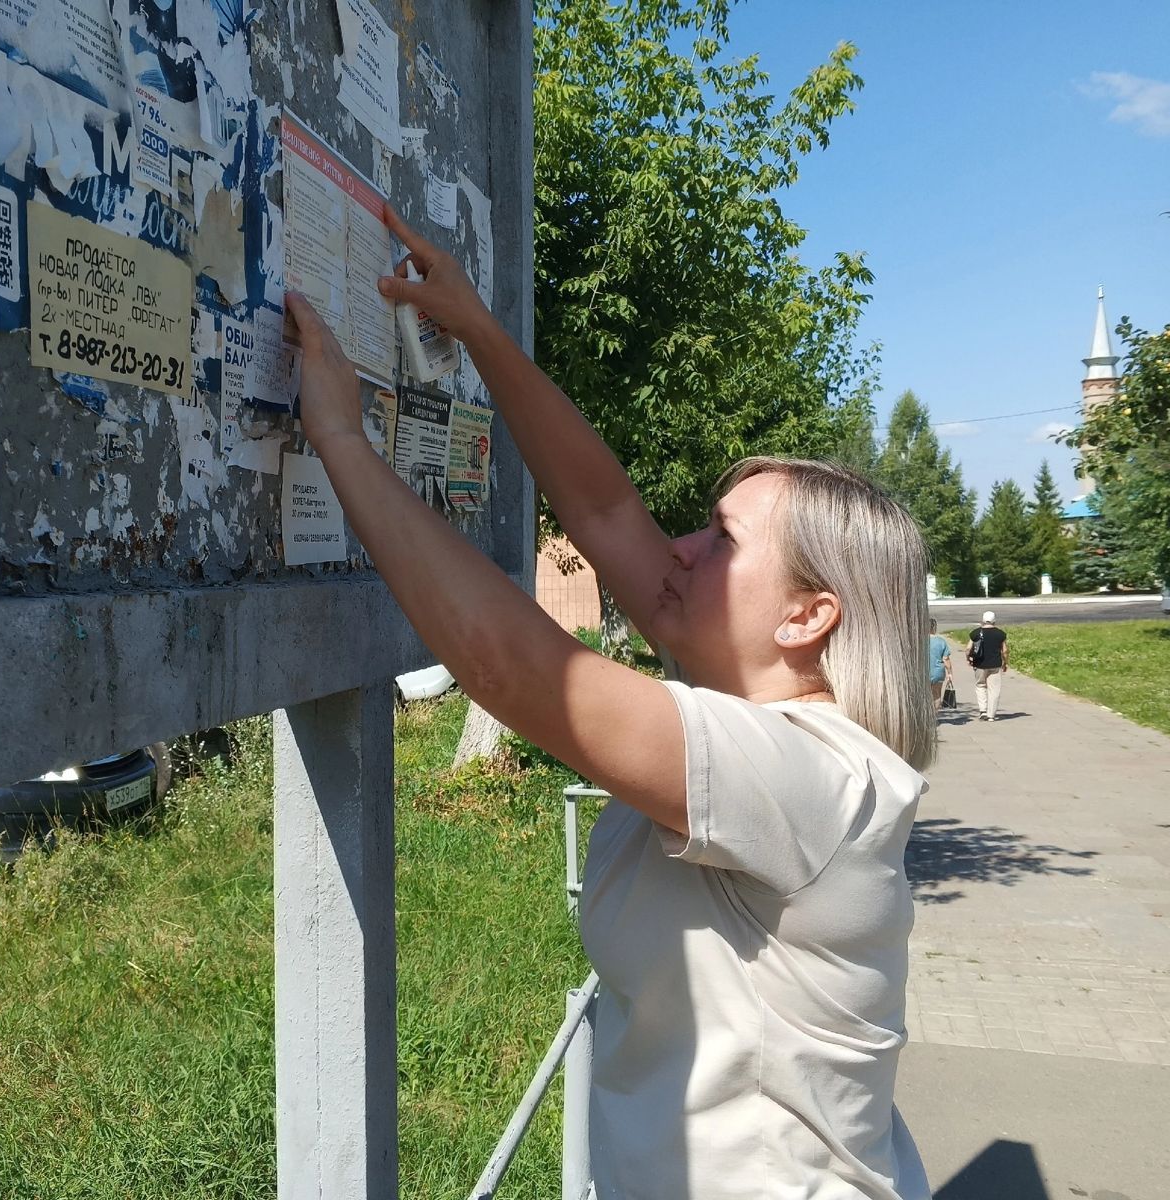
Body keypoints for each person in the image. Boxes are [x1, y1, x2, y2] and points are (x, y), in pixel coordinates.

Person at [287, 207, 935, 1200]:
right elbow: (602, 511)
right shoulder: (746, 721)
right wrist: (481, 332)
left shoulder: (810, 776)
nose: (677, 548)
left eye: (720, 540)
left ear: (807, 616)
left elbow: (515, 668)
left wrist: (337, 435)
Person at [966, 612, 1009, 721]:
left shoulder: (975, 633)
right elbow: (1005, 651)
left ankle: (983, 711)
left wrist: (968, 659)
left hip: (979, 664)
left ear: (983, 621)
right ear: (994, 621)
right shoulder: (1000, 634)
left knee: (980, 686)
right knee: (994, 689)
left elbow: (968, 649)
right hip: (995, 665)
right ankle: (991, 715)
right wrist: (1005, 662)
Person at [928, 619, 953, 715]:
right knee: (937, 695)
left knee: (925, 694)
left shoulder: (919, 641)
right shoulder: (941, 642)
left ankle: (926, 716)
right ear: (935, 628)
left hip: (923, 672)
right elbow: (946, 659)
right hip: (938, 671)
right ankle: (934, 716)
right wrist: (950, 673)